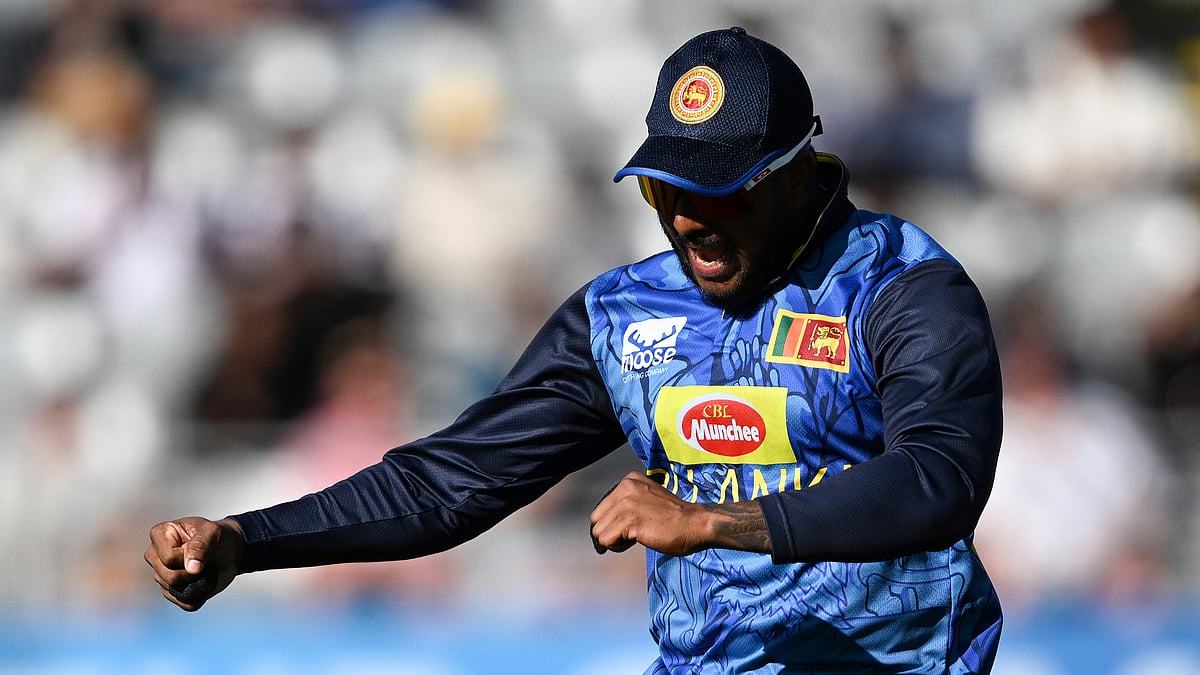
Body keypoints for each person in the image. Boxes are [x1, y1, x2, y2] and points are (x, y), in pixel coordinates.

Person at [146, 27, 1004, 673]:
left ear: (793, 169)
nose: (686, 217)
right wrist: (245, 538)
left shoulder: (903, 286)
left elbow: (940, 480)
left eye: (721, 190)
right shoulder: (623, 313)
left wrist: (714, 523)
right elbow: (451, 481)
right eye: (666, 187)